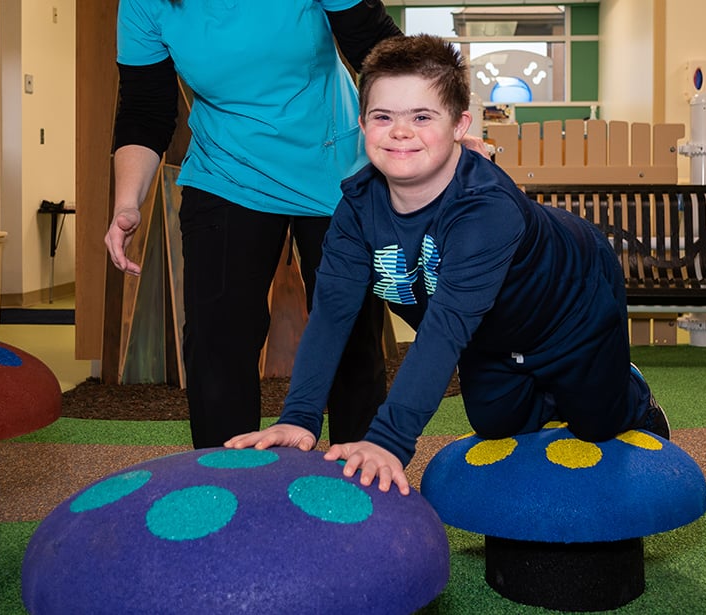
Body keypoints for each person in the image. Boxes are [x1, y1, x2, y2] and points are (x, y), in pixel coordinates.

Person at [226, 34, 670, 495]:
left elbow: (443, 330)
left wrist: (388, 441)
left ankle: (630, 391)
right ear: (361, 123)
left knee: (596, 421)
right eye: (383, 117)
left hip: (571, 307)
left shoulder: (486, 210)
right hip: (491, 332)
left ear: (460, 125)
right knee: (498, 424)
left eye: (422, 117)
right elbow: (332, 313)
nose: (401, 132)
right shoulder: (358, 207)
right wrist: (299, 416)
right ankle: (550, 388)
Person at [104, 1, 404, 448]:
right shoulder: (144, 5)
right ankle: (223, 482)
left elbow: (382, 53)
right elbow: (145, 110)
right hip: (226, 171)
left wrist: (431, 135)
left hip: (331, 165)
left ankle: (361, 480)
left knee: (350, 330)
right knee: (216, 338)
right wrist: (127, 203)